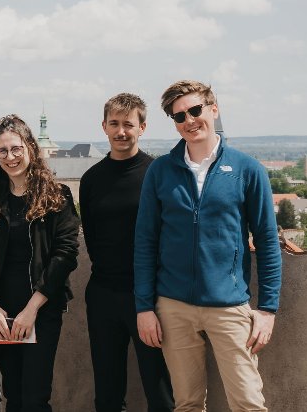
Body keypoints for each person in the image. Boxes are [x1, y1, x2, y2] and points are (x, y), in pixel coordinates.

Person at [135, 80, 281, 412]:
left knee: (248, 403)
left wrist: (268, 310)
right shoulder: (160, 172)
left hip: (229, 307)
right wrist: (144, 307)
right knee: (186, 404)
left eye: (195, 110)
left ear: (213, 109)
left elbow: (268, 243)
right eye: (179, 116)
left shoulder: (247, 170)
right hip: (173, 306)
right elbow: (145, 242)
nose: (189, 120)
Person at [0, 115, 81, 412]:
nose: (10, 157)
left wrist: (32, 309)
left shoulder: (57, 196)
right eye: (3, 151)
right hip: (2, 313)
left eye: (16, 149)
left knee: (35, 397)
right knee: (14, 394)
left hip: (41, 310)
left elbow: (66, 254)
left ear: (30, 149)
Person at [80, 94, 174, 412]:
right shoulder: (92, 179)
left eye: (129, 125)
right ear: (104, 126)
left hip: (150, 296)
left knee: (160, 391)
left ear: (142, 128)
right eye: (115, 124)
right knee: (107, 393)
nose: (121, 132)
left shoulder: (158, 173)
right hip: (103, 294)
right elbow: (91, 237)